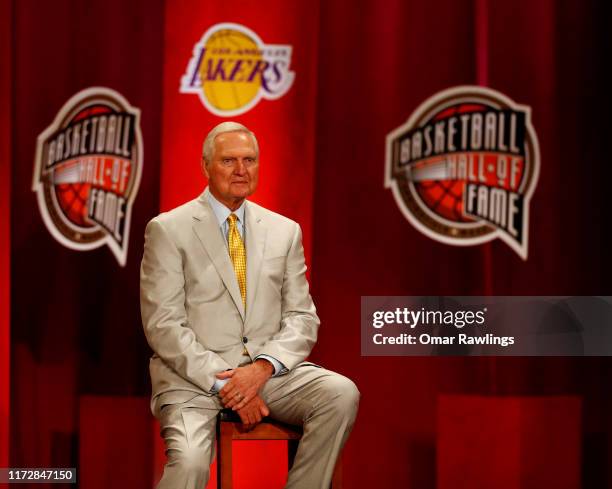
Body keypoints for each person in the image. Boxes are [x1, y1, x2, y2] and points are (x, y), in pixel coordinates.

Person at [140, 121, 359, 489]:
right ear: (205, 166)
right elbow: (164, 325)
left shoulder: (284, 230)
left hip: (267, 375)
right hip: (193, 379)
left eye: (250, 160)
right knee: (191, 463)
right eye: (229, 161)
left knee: (339, 394)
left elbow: (302, 318)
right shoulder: (168, 229)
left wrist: (260, 369)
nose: (242, 170)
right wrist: (228, 385)